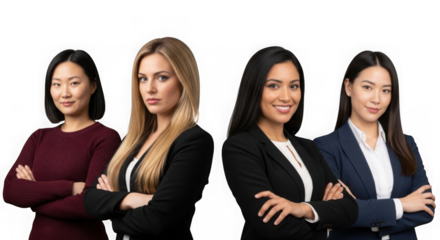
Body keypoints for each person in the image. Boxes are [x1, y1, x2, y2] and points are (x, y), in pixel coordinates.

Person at [222, 46, 358, 240]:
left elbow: (350, 210)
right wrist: (326, 220)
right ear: (254, 89)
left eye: (293, 86)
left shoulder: (308, 147)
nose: (286, 97)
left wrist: (302, 209)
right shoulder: (240, 148)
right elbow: (274, 227)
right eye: (274, 85)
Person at [83, 36, 213, 240]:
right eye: (143, 78)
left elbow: (157, 220)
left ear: (184, 80)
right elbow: (90, 199)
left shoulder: (193, 141)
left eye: (161, 77)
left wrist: (111, 213)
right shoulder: (135, 140)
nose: (149, 88)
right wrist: (132, 199)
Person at [313, 50, 436, 240]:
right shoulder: (325, 147)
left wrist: (366, 216)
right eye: (368, 87)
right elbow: (337, 213)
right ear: (348, 87)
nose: (377, 99)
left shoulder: (406, 143)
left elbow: (426, 207)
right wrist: (402, 204)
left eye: (385, 90)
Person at [2, 49, 121, 240]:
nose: (65, 93)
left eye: (74, 83)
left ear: (92, 85)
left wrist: (33, 193)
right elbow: (9, 191)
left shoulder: (106, 137)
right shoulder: (38, 137)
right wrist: (72, 188)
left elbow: (90, 205)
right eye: (56, 84)